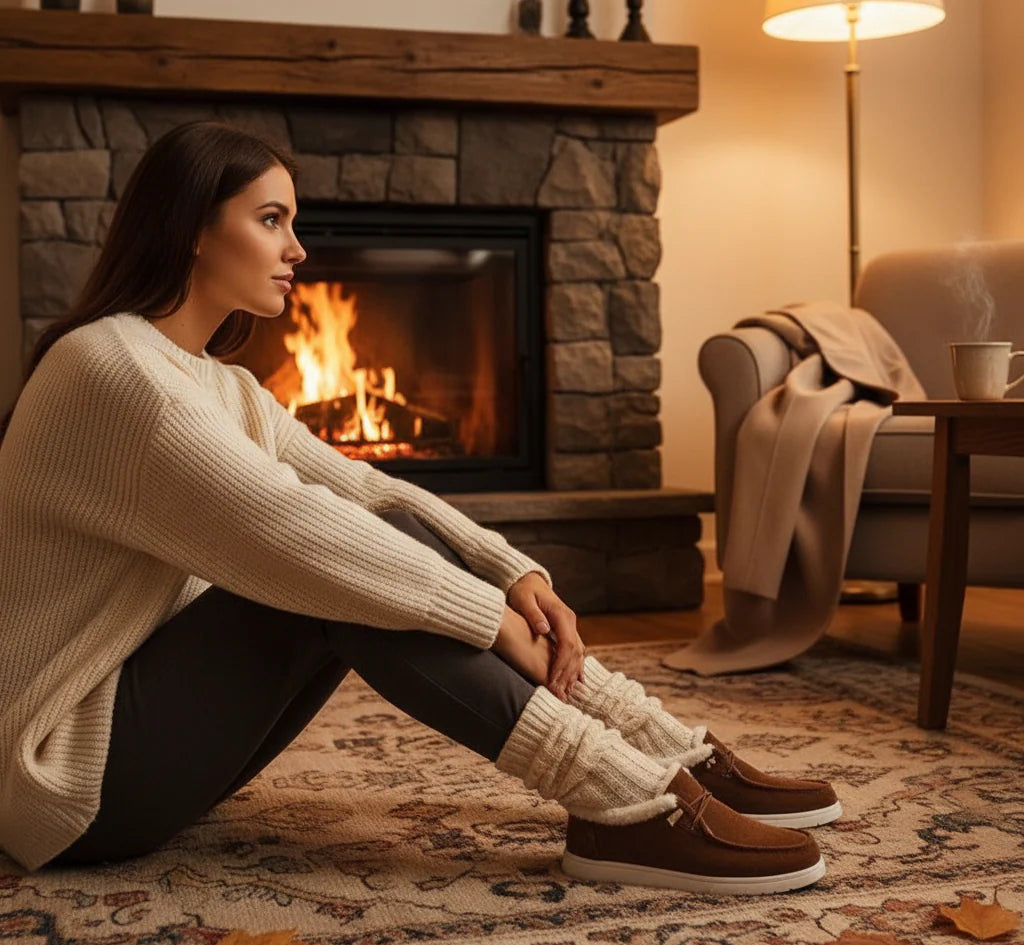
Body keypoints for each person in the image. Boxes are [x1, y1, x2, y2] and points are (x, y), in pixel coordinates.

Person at [0, 121, 840, 894]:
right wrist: (488, 620)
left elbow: (369, 489)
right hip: (68, 776)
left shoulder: (215, 383)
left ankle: (652, 748)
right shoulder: (112, 371)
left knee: (376, 539)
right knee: (343, 571)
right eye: (270, 220)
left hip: (134, 747)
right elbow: (300, 530)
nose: (297, 247)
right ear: (190, 226)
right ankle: (611, 798)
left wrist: (515, 574)